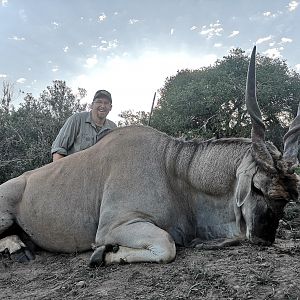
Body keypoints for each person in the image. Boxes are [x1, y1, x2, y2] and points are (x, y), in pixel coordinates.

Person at [51, 89, 117, 161]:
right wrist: (62, 172)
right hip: (75, 170)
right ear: (92, 105)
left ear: (110, 107)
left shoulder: (113, 128)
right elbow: (58, 150)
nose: (103, 106)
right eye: (99, 102)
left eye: (106, 103)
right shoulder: (76, 119)